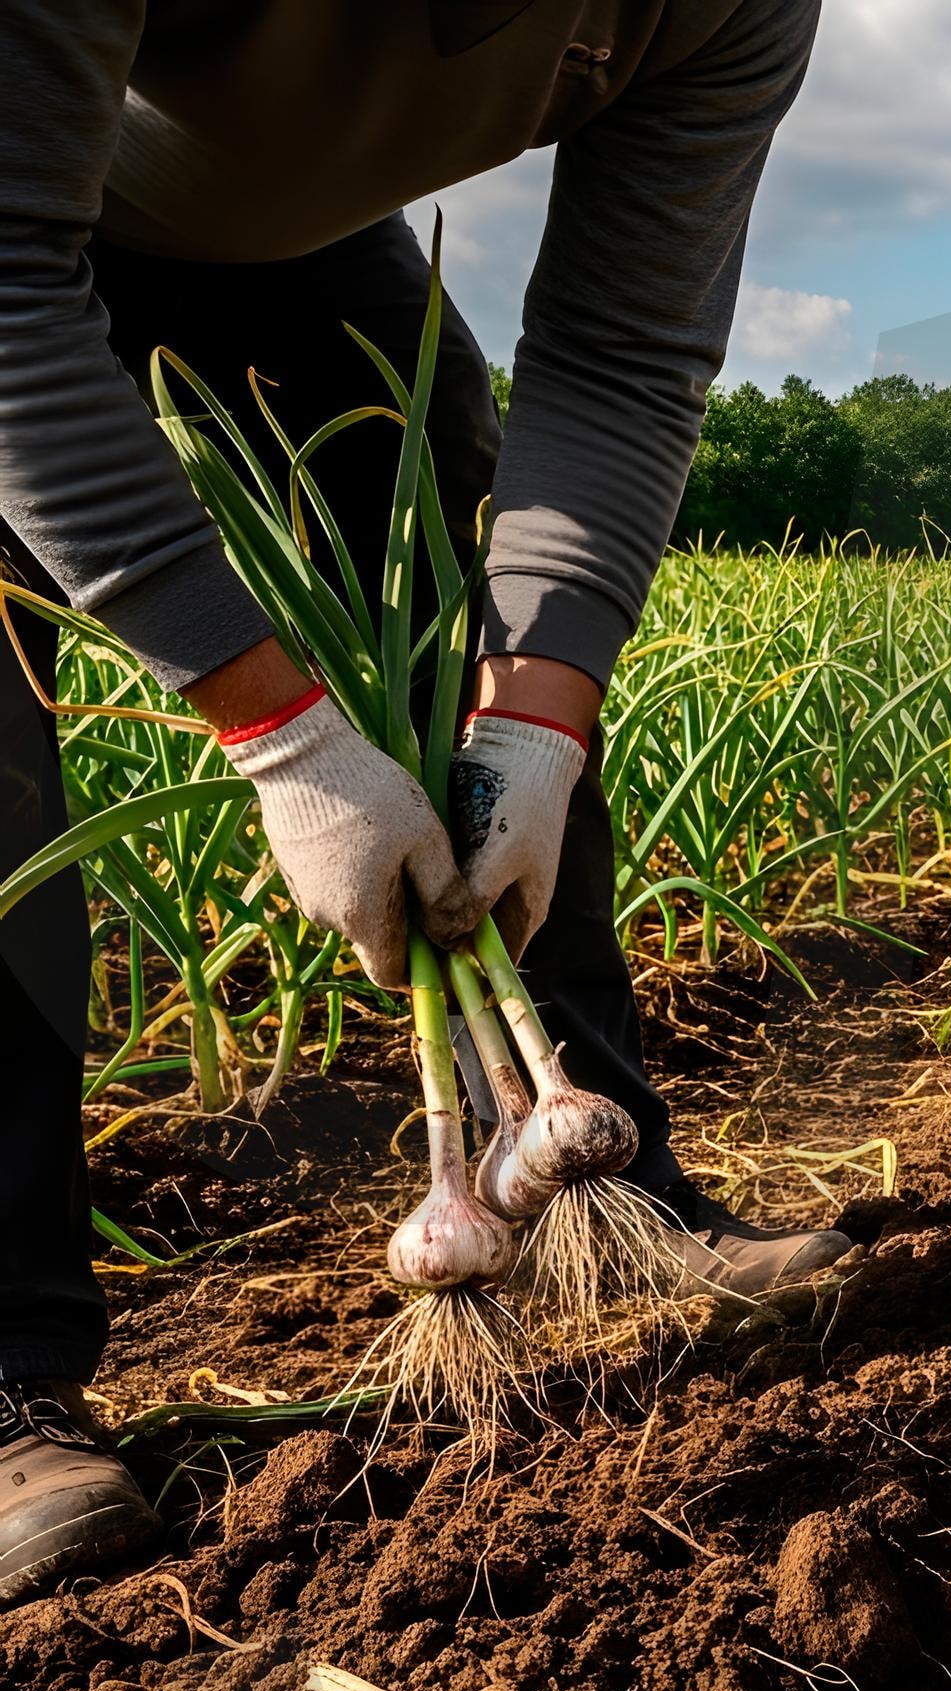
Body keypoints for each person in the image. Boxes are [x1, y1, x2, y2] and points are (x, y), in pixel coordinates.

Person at [0, 2, 853, 1606]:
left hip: (280, 242)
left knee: (471, 560)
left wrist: (533, 727)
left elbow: (620, 355)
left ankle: (596, 1188)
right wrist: (282, 735)